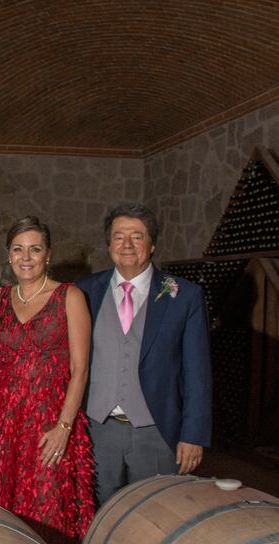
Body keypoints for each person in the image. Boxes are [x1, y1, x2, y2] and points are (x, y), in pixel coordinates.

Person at [0, 217, 95, 544]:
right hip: (4, 425)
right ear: (9, 255)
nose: (26, 257)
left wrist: (63, 428)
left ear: (48, 254)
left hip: (49, 423)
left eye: (35, 249)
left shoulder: (69, 296)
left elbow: (80, 369)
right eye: (18, 249)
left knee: (47, 510)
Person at [75, 203, 212, 506]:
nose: (126, 245)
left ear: (152, 245)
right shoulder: (83, 291)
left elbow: (197, 371)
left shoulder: (184, 295)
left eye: (137, 237)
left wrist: (193, 434)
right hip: (96, 429)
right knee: (96, 514)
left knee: (155, 513)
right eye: (118, 236)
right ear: (108, 244)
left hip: (156, 430)